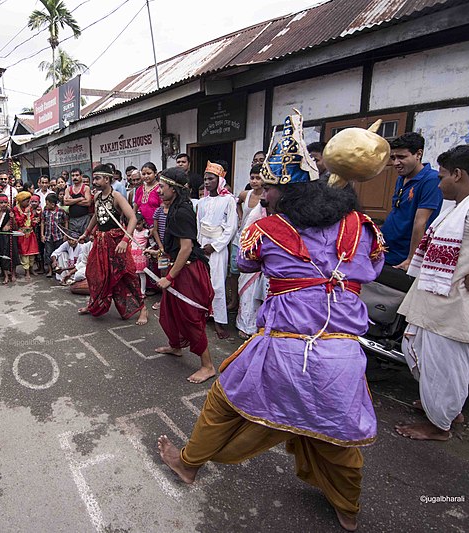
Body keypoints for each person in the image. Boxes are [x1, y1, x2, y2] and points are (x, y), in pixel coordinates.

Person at [157, 112, 385, 532]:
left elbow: (245, 262)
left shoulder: (267, 230)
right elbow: (374, 263)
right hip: (341, 354)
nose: (263, 195)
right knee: (337, 436)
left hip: (282, 348)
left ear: (290, 193)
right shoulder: (360, 226)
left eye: (271, 189)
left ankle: (188, 464)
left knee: (222, 404)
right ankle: (347, 510)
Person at [395, 145, 469, 441]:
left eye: (441, 177)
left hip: (457, 306)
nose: (439, 184)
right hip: (439, 300)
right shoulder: (462, 206)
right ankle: (446, 409)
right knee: (425, 357)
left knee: (446, 367)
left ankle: (439, 425)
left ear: (458, 174)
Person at [151, 167, 216, 382]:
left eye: (162, 186)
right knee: (170, 311)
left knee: (190, 316)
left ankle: (207, 366)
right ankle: (176, 346)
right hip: (178, 265)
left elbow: (186, 248)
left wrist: (169, 278)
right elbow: (177, 246)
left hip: (187, 271)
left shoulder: (182, 211)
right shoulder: (174, 209)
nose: (158, 190)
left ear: (175, 189)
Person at [78, 164, 149, 326]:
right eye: (93, 178)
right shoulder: (96, 197)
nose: (94, 181)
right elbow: (96, 216)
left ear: (107, 179)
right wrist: (86, 233)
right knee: (94, 273)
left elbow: (133, 218)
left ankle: (142, 308)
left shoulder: (117, 196)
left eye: (97, 178)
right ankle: (94, 304)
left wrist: (125, 240)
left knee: (126, 276)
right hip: (101, 241)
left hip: (117, 242)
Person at [381, 132, 442, 270]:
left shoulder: (431, 180)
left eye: (402, 157)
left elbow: (421, 222)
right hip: (387, 249)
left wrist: (412, 259)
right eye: (393, 157)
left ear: (418, 154)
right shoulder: (401, 178)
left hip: (403, 256)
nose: (396, 163)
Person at [196, 160, 238, 339]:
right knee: (201, 281)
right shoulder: (202, 201)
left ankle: (220, 321)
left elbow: (231, 227)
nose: (207, 182)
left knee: (218, 283)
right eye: (205, 179)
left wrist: (214, 246)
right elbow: (198, 225)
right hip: (202, 243)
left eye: (211, 179)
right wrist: (199, 246)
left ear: (220, 180)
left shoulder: (228, 200)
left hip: (217, 246)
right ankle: (202, 314)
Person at [236, 164, 267, 339]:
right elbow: (237, 205)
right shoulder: (244, 195)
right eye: (252, 177)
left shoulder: (269, 197)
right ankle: (244, 324)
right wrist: (241, 218)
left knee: (260, 290)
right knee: (245, 286)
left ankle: (257, 325)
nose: (255, 181)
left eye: (258, 178)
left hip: (263, 246)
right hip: (245, 242)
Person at [12, 192, 40, 279]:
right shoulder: (16, 209)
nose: (29, 203)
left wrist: (35, 221)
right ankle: (26, 272)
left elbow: (31, 220)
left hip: (31, 233)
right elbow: (19, 222)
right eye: (27, 201)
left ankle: (31, 269)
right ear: (21, 201)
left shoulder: (29, 208)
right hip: (22, 234)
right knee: (24, 254)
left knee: (32, 254)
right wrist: (25, 213)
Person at [0, 193, 19, 284]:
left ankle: (13, 274)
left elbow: (15, 226)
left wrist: (13, 218)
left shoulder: (10, 212)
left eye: (5, 202)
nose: (3, 204)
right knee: (2, 255)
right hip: (0, 237)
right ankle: (6, 276)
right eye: (1, 202)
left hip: (10, 236)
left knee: (13, 254)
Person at [41, 192, 68, 278]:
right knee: (48, 253)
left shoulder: (61, 211)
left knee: (58, 253)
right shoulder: (45, 211)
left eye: (47, 203)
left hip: (58, 236)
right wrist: (42, 234)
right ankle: (50, 270)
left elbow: (66, 222)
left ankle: (58, 269)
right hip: (48, 236)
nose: (46, 205)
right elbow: (42, 223)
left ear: (52, 204)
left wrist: (65, 234)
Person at [64, 168, 92, 236]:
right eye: (73, 176)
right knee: (74, 239)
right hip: (72, 219)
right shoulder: (68, 189)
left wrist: (72, 201)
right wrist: (79, 199)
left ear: (81, 176)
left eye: (77, 175)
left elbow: (88, 203)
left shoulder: (85, 188)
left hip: (84, 218)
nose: (75, 177)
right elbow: (65, 202)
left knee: (85, 239)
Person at [130, 214, 150, 296]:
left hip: (141, 256)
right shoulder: (133, 231)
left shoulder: (146, 232)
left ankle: (142, 292)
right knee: (134, 274)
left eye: (139, 224)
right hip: (133, 254)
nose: (137, 226)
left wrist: (148, 250)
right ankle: (135, 290)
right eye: (135, 224)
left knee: (142, 274)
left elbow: (152, 242)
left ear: (143, 222)